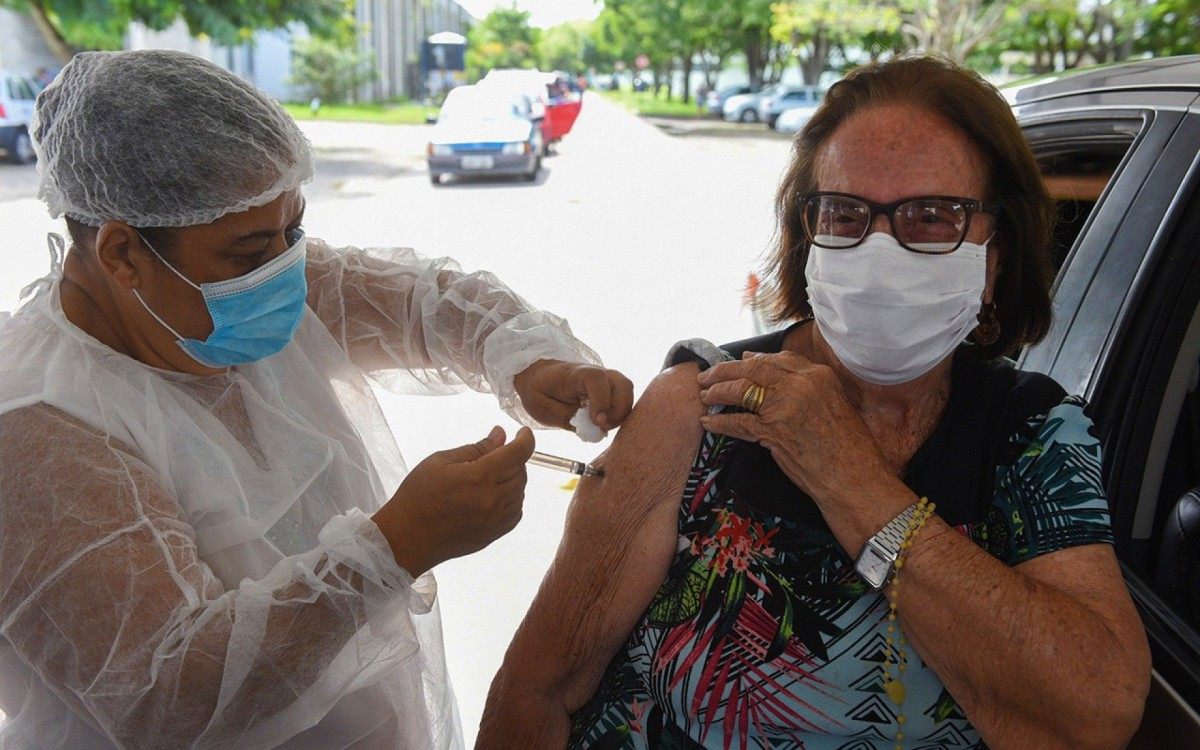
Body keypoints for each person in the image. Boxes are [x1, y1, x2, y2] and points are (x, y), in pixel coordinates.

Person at [479, 56, 1151, 749]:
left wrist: (850, 477)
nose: (882, 251)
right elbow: (536, 687)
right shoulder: (702, 406)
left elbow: (1095, 714)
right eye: (846, 213)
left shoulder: (1033, 431)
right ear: (809, 240)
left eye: (931, 216)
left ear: (996, 253)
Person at [0, 49, 633, 749]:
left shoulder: (232, 289)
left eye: (293, 229)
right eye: (246, 253)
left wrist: (530, 362)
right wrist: (395, 547)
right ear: (121, 253)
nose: (284, 270)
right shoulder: (38, 432)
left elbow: (431, 303)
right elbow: (169, 696)